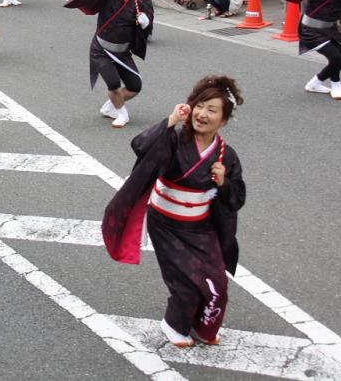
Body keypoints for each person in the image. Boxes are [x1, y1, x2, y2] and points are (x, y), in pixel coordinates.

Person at [102, 75, 246, 348]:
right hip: (166, 223)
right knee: (185, 281)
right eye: (199, 106)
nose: (202, 114)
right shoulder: (174, 139)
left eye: (212, 110)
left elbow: (237, 198)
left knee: (217, 282)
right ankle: (174, 324)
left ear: (224, 120)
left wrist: (223, 183)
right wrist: (170, 121)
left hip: (201, 225)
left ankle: (203, 326)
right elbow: (140, 146)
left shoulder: (226, 155)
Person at [64, 0, 154, 128]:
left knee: (135, 86)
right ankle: (122, 113)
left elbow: (147, 25)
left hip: (122, 52)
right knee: (113, 83)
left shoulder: (140, 1)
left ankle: (111, 105)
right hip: (101, 49)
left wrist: (145, 22)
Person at [279, 0, 341, 99]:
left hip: (331, 29)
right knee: (336, 57)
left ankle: (315, 83)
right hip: (310, 29)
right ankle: (336, 85)